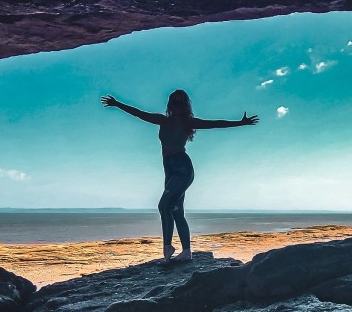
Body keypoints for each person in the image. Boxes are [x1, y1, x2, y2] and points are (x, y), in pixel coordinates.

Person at [102, 90, 258, 262]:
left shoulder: (188, 122)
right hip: (169, 170)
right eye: (174, 102)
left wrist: (240, 123)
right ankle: (187, 251)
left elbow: (216, 123)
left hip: (182, 169)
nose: (177, 105)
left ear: (185, 106)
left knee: (163, 206)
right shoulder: (162, 120)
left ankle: (167, 248)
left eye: (180, 102)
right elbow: (139, 114)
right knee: (176, 211)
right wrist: (117, 104)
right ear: (170, 104)